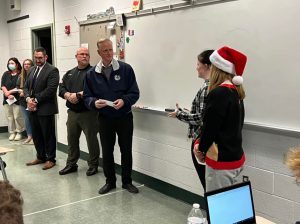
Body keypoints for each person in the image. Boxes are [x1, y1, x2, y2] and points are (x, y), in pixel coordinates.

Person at [84, 38, 140, 194]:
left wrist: (124, 100)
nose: (109, 53)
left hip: (124, 117)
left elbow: (135, 93)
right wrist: (94, 103)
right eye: (105, 51)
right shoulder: (91, 74)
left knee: (126, 150)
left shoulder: (126, 69)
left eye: (110, 50)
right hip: (104, 119)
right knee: (107, 151)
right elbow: (87, 97)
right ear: (99, 52)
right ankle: (110, 182)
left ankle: (127, 182)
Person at [193, 46, 247, 192]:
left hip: (221, 162)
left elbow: (211, 128)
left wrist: (200, 147)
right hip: (235, 157)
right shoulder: (236, 92)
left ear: (217, 68)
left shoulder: (219, 93)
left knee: (219, 205)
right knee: (230, 202)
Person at [168, 50, 214, 191]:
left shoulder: (207, 87)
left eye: (198, 64)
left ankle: (210, 212)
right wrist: (187, 112)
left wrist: (180, 115)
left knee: (208, 185)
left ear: (207, 66)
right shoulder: (210, 85)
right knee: (210, 184)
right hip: (205, 139)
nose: (196, 68)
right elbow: (204, 114)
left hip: (202, 140)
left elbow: (201, 118)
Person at [58, 47, 100, 176]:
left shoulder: (95, 72)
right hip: (72, 113)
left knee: (91, 140)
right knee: (72, 139)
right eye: (81, 54)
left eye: (87, 54)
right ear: (76, 56)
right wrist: (68, 95)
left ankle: (93, 165)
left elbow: (96, 90)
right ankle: (71, 164)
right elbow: (61, 88)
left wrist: (78, 95)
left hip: (89, 113)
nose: (84, 56)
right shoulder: (70, 73)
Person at [24, 47, 59, 170]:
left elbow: (50, 90)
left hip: (46, 108)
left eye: (40, 58)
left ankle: (51, 159)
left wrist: (35, 100)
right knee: (36, 134)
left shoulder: (52, 70)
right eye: (36, 58)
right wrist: (28, 99)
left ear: (45, 57)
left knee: (48, 134)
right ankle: (40, 156)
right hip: (32, 108)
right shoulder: (32, 69)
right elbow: (26, 87)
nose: (38, 60)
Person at [1, 57, 25, 141]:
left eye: (12, 63)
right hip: (7, 99)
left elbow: (19, 87)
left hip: (17, 99)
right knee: (9, 116)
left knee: (17, 116)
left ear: (17, 64)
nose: (10, 65)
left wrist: (9, 92)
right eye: (9, 63)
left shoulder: (21, 74)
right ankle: (12, 132)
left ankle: (19, 132)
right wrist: (7, 94)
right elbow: (3, 85)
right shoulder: (6, 74)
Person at [17, 59, 34, 144]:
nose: (26, 66)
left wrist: (24, 92)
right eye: (25, 64)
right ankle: (29, 136)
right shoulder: (21, 76)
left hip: (32, 100)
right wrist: (21, 91)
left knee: (33, 119)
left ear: (32, 65)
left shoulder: (34, 75)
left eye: (28, 64)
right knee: (26, 119)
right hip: (23, 101)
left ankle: (35, 137)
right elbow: (17, 87)